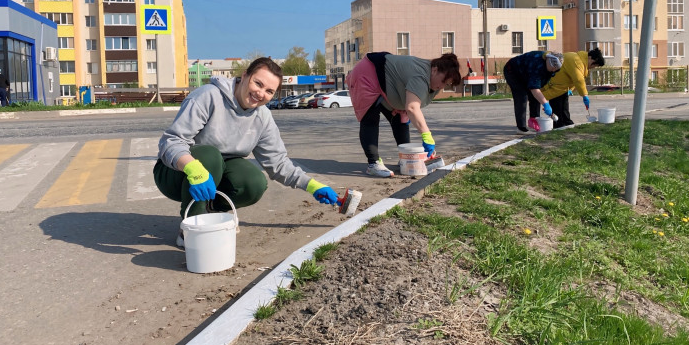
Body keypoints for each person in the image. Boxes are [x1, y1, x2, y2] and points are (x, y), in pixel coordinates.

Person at [154, 57, 340, 247]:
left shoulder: (263, 117)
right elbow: (171, 142)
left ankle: (212, 211)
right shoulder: (208, 96)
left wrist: (313, 185)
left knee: (253, 181)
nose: (260, 94)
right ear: (244, 76)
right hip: (176, 173)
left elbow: (278, 163)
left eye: (269, 91)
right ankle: (190, 230)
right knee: (210, 156)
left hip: (215, 172)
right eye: (258, 83)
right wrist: (193, 168)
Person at [347, 52, 463, 177]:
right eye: (443, 81)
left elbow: (410, 105)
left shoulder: (433, 82)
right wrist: (427, 136)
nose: (442, 86)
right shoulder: (420, 74)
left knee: (399, 117)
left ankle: (405, 159)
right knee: (370, 118)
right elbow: (412, 107)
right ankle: (373, 164)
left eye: (447, 84)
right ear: (434, 69)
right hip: (366, 74)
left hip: (386, 83)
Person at [541, 48, 606, 128]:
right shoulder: (576, 60)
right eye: (594, 65)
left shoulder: (580, 61)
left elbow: (572, 78)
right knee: (557, 107)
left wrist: (570, 90)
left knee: (564, 107)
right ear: (590, 58)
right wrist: (584, 95)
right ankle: (559, 126)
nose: (593, 67)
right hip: (554, 85)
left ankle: (567, 123)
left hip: (562, 88)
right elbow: (578, 79)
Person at [502, 51, 562, 134]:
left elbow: (539, 87)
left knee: (535, 97)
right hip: (513, 71)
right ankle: (521, 128)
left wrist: (543, 100)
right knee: (522, 96)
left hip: (526, 74)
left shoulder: (551, 69)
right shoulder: (537, 64)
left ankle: (533, 121)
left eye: (556, 68)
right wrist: (545, 104)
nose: (554, 70)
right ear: (549, 62)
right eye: (553, 68)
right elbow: (534, 88)